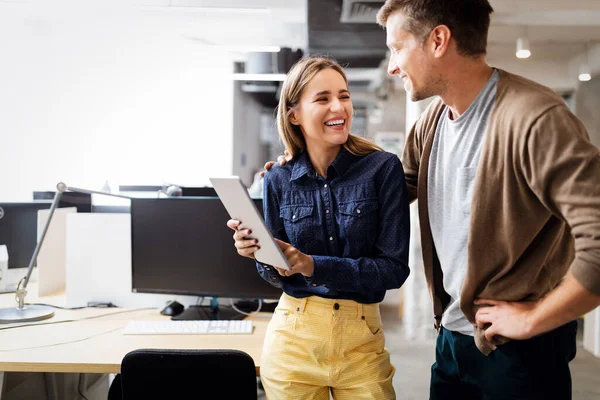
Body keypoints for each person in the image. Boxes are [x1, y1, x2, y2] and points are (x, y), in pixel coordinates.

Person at [265, 1, 600, 399]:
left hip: (519, 351)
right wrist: (299, 172)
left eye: (397, 47)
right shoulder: (433, 124)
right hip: (453, 341)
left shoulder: (535, 118)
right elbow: (377, 190)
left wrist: (533, 320)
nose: (391, 66)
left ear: (438, 40)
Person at [227, 55, 411, 400]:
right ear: (293, 113)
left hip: (361, 340)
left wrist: (312, 265)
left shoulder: (382, 169)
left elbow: (393, 271)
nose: (338, 107)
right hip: (294, 335)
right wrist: (260, 253)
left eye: (343, 95)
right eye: (323, 98)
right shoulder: (278, 178)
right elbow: (276, 274)